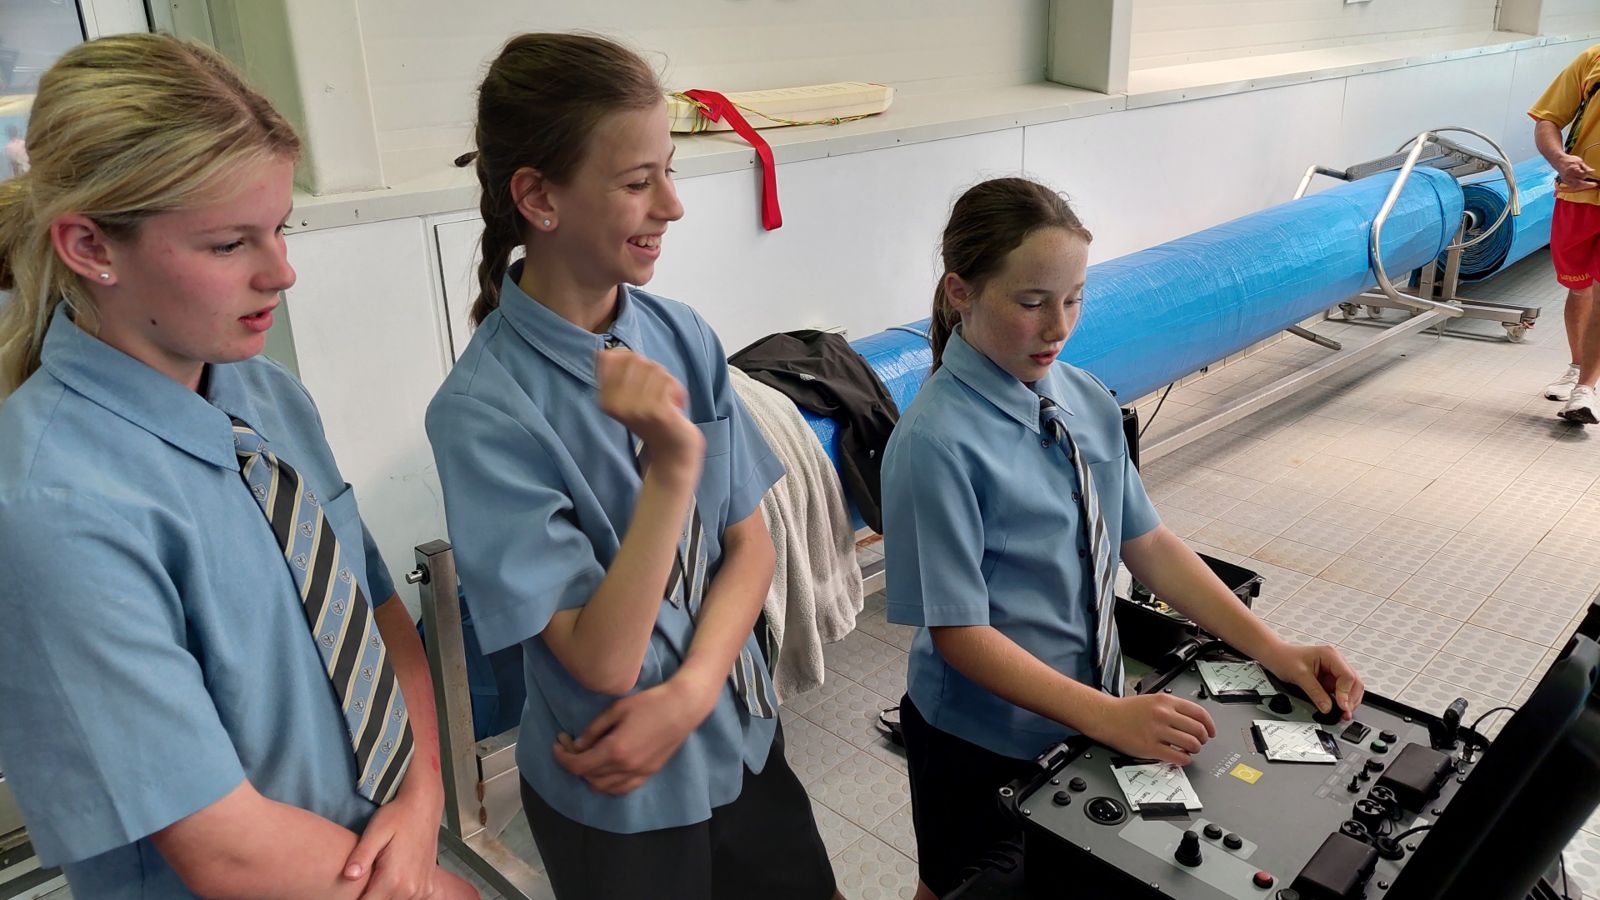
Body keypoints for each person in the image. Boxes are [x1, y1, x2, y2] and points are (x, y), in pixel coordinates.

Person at [0, 34, 474, 900]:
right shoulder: (53, 503)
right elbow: (223, 847)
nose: (282, 272)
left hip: (379, 858)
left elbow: (373, 614)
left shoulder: (268, 396)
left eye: (280, 229)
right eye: (228, 246)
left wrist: (420, 794)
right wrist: (428, 891)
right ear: (90, 246)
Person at [425, 33, 837, 900]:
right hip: (621, 797)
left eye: (671, 171)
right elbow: (601, 659)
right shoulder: (483, 412)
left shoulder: (680, 332)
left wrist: (691, 694)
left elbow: (749, 546)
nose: (673, 207)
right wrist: (672, 470)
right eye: (636, 181)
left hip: (736, 731)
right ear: (538, 197)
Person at [883, 177, 1366, 899]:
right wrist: (1109, 716)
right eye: (1032, 302)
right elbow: (960, 633)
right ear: (961, 292)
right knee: (955, 884)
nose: (1058, 325)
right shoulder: (935, 442)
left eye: (1074, 297)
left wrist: (1271, 647)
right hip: (980, 738)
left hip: (1087, 711)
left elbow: (1148, 542)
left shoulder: (1082, 398)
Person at [1531, 42, 1600, 424]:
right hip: (1578, 196)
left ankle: (1586, 391)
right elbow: (1546, 120)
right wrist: (1559, 159)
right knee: (1578, 287)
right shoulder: (1592, 59)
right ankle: (1577, 368)